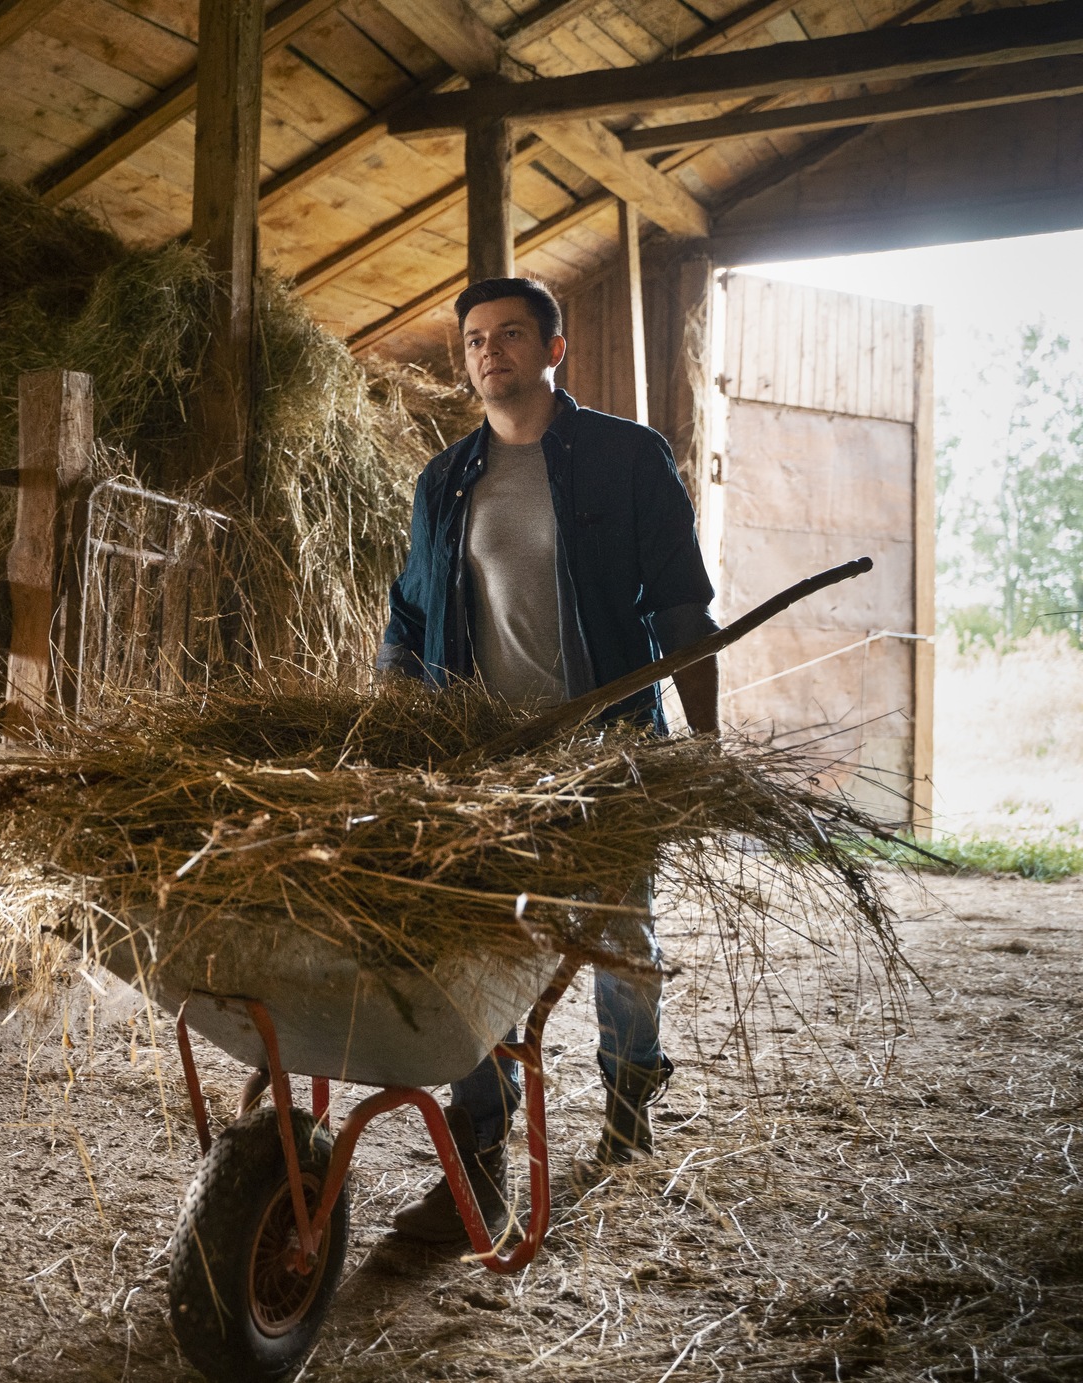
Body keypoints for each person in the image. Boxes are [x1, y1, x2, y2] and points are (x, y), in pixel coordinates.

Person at [376, 277, 720, 1248]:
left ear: (554, 349)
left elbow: (684, 610)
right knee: (474, 948)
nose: (491, 352)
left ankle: (626, 1114)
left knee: (620, 942)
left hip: (604, 757)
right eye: (477, 339)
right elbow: (406, 618)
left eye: (512, 334)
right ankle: (479, 1143)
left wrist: (704, 749)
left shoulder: (625, 458)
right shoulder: (444, 482)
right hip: (483, 768)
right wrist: (395, 727)